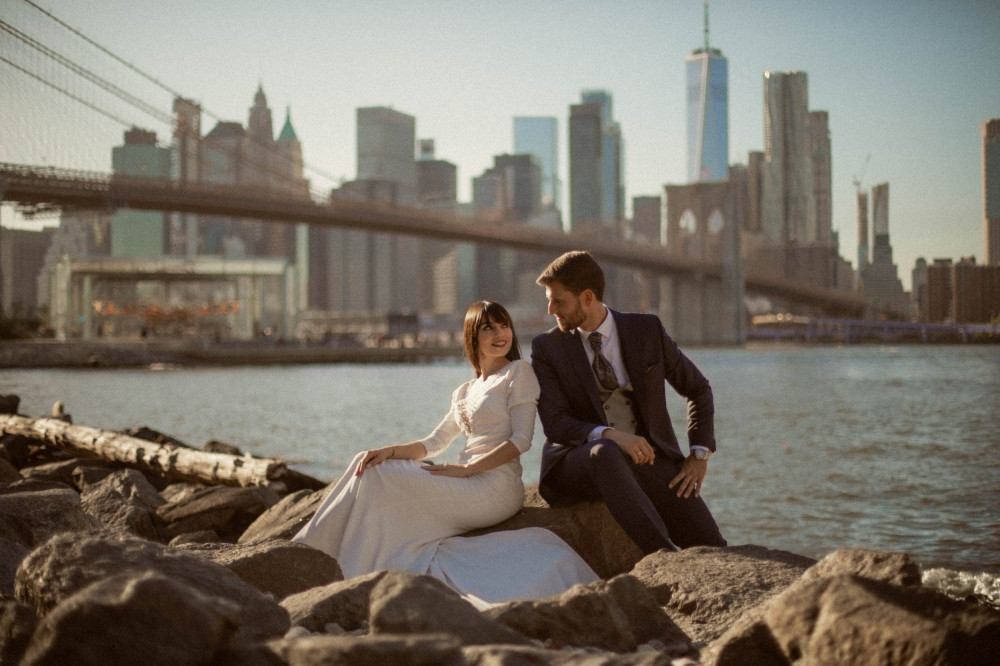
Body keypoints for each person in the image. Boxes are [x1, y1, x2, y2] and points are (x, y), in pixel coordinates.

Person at [293, 300, 597, 608]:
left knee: (380, 480)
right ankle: (314, 555)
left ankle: (328, 565)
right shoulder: (464, 391)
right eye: (488, 328)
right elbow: (434, 443)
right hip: (464, 481)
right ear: (472, 336)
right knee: (368, 464)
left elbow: (521, 441)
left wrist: (469, 469)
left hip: (494, 488)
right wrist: (390, 451)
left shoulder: (518, 372)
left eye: (503, 325)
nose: (499, 333)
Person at [531, 250, 726, 554]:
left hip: (647, 460)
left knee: (712, 543)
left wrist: (698, 455)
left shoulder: (646, 330)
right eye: (549, 299)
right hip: (578, 462)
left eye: (558, 300)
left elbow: (698, 389)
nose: (551, 309)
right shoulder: (547, 347)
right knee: (605, 452)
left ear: (587, 297)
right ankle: (663, 558)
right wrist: (610, 435)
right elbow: (556, 424)